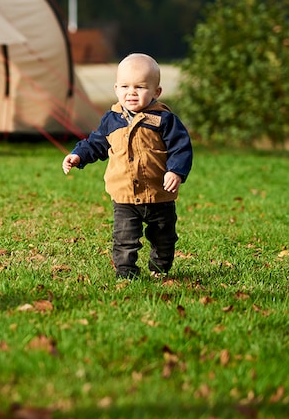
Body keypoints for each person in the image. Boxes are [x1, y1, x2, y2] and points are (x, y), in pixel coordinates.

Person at [62, 53, 193, 280]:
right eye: (124, 86)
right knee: (124, 237)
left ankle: (159, 269)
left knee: (164, 236)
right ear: (116, 88)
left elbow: (181, 147)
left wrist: (176, 171)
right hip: (124, 194)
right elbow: (96, 143)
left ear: (156, 92)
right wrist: (78, 156)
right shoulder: (112, 120)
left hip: (159, 195)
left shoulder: (164, 120)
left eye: (140, 87)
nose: (131, 92)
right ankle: (126, 272)